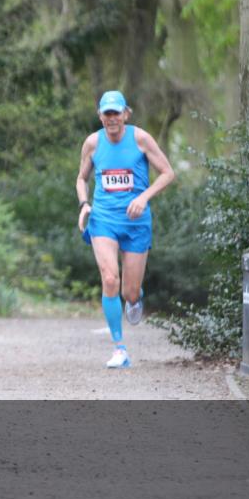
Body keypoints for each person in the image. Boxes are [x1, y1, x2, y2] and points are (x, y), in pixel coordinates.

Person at [76, 90, 175, 368]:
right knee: (109, 279)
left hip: (136, 222)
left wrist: (143, 198)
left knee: (128, 292)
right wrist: (84, 204)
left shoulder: (141, 139)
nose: (111, 119)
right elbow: (81, 179)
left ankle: (135, 297)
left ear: (126, 114)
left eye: (116, 113)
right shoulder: (93, 143)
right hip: (103, 219)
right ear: (100, 116)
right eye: (106, 114)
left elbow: (168, 172)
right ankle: (120, 349)